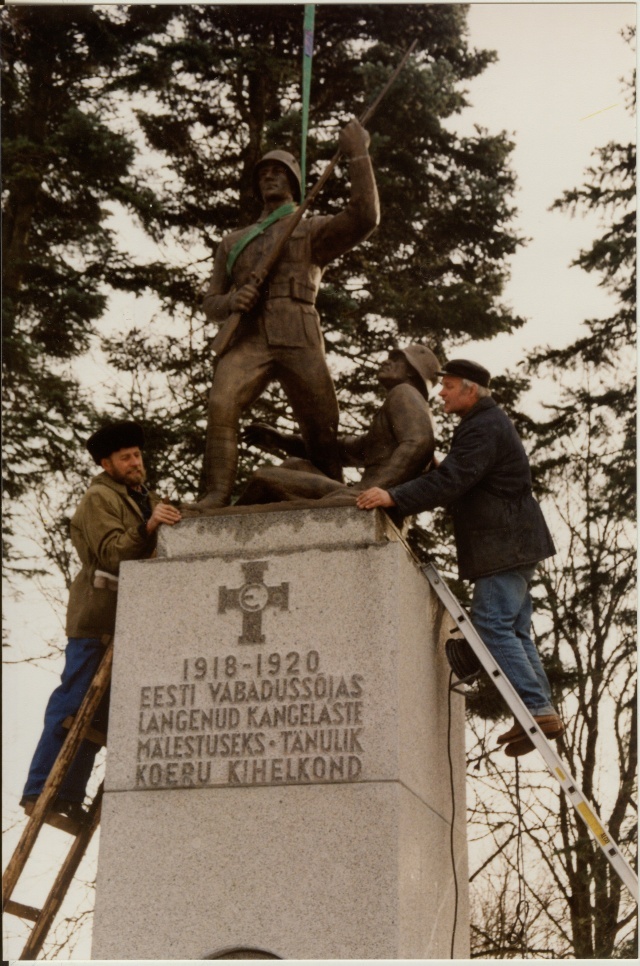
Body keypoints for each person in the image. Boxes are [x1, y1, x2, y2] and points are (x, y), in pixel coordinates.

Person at [356, 359, 562, 757]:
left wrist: (394, 495)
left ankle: (536, 710)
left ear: (470, 389)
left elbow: (455, 480)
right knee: (515, 630)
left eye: (448, 386)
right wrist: (438, 470)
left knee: (492, 625)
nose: (441, 393)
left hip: (503, 544)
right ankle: (541, 710)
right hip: (518, 543)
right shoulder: (487, 423)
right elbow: (465, 475)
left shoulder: (482, 426)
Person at [189, 117, 380, 511]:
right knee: (222, 404)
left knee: (321, 427)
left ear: (293, 181)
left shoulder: (309, 228)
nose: (270, 177)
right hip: (249, 337)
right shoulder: (233, 242)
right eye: (264, 173)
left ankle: (335, 496)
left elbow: (365, 218)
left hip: (299, 331)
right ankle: (216, 494)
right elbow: (211, 303)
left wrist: (358, 154)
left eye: (278, 172)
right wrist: (232, 302)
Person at [21, 421, 182, 820]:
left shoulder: (144, 498)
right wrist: (150, 525)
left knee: (98, 717)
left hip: (127, 623)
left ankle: (66, 797)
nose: (135, 463)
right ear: (106, 464)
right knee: (72, 702)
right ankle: (39, 789)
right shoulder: (99, 499)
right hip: (96, 621)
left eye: (137, 455)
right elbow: (112, 554)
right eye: (125, 458)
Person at [236, 344, 440, 506]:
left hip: (367, 498)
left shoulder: (404, 393)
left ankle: (219, 534)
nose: (387, 361)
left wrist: (373, 490)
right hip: (365, 494)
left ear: (412, 372)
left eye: (397, 360)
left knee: (264, 478)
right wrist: (281, 440)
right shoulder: (407, 404)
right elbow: (340, 450)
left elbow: (420, 444)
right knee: (295, 465)